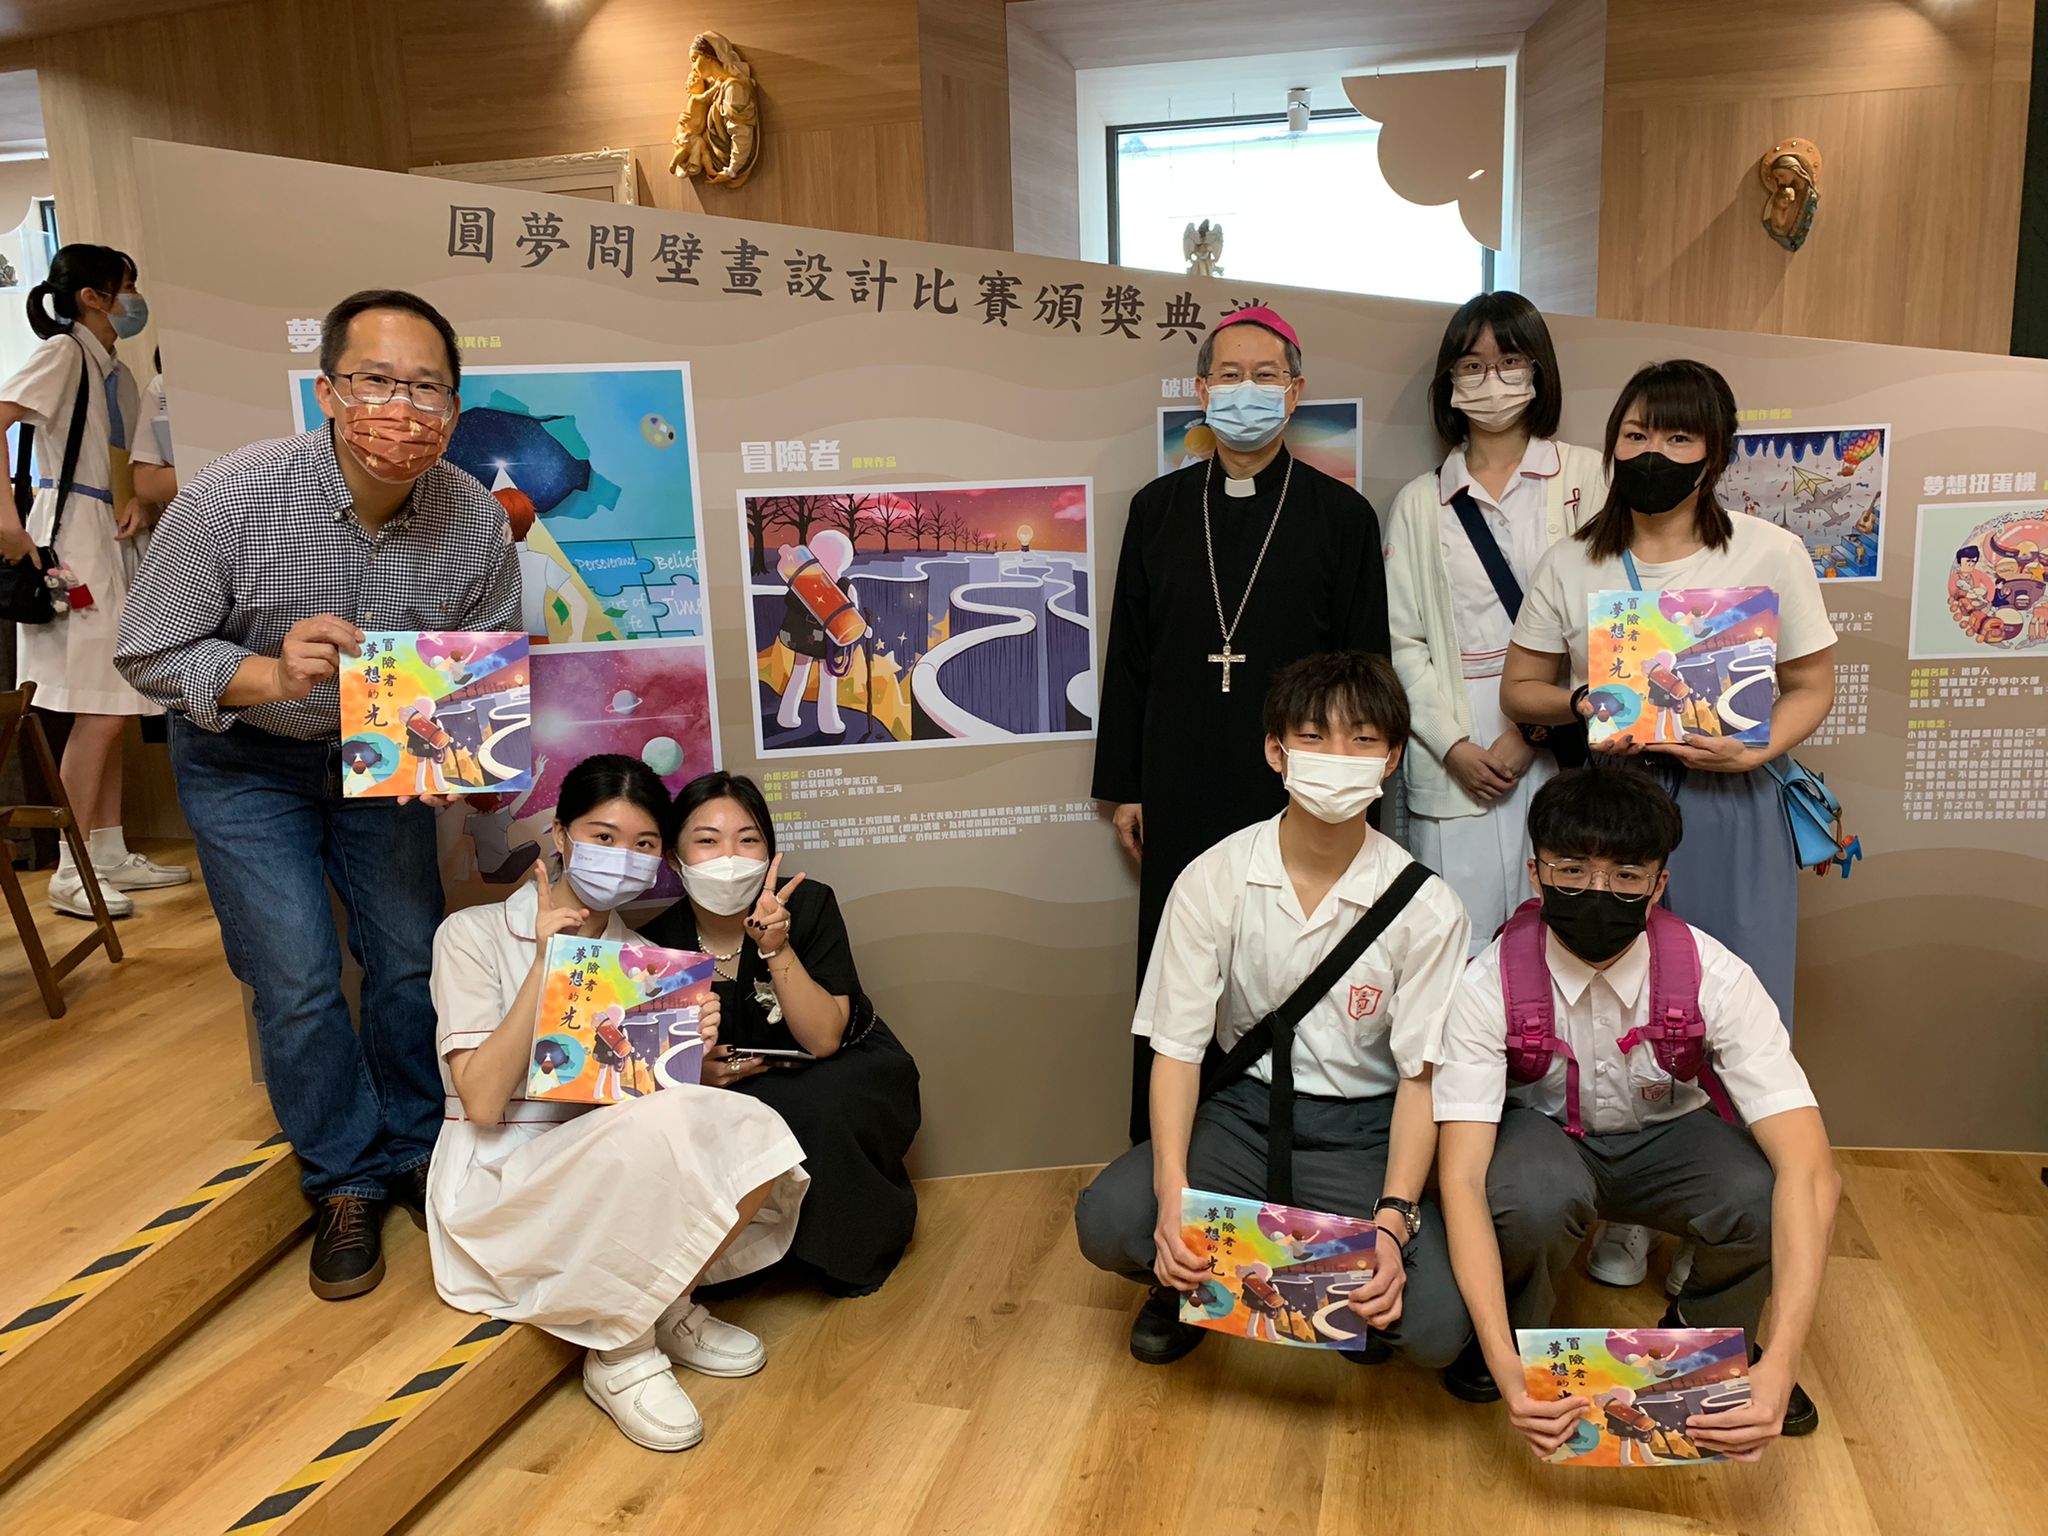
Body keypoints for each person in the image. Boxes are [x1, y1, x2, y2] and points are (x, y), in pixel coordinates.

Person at [114, 288, 521, 1300]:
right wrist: (266, 673)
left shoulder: (474, 519)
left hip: (378, 763)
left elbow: (476, 666)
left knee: (404, 957)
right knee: (295, 972)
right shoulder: (232, 498)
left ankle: (419, 1148)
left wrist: (447, 758)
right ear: (331, 391)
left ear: (454, 406)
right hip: (246, 759)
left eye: (426, 389)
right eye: (376, 381)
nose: (401, 409)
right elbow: (147, 652)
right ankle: (343, 1177)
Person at [1499, 359, 1835, 1294]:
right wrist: (1582, 700)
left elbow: (1813, 684)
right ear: (1613, 443)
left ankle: (1711, 1217)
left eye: (1679, 436)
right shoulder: (1574, 560)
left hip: (1732, 807)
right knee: (1612, 995)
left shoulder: (1769, 552)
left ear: (1715, 454)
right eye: (1637, 433)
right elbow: (1520, 689)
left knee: (1734, 1004)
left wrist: (1756, 747)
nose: (1654, 452)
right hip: (1614, 806)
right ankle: (1624, 1211)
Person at [1074, 651, 1472, 1368]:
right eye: (1313, 737)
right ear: (1275, 751)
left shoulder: (1430, 908)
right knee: (1110, 1220)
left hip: (1363, 1128)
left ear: (1391, 760)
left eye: (1363, 740)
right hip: (1241, 1114)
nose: (1337, 758)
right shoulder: (1213, 877)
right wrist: (1173, 1194)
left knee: (1436, 1327)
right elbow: (1177, 1051)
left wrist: (1392, 1219)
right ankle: (1183, 1287)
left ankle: (1342, 1290)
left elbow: (1421, 1079)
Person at [1432, 769, 1839, 1459]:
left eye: (1626, 876)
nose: (1598, 892)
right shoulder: (1486, 984)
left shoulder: (1717, 976)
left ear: (1658, 885)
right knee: (1525, 1196)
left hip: (1669, 1139)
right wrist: (1502, 1361)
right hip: (1547, 1141)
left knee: (1765, 1192)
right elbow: (1462, 1180)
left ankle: (1712, 1339)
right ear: (1536, 874)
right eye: (1571, 870)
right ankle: (1519, 1337)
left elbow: (1812, 1171)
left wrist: (1784, 1359)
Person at [427, 754, 808, 1452]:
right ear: (561, 834)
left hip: (602, 1159)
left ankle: (664, 1303)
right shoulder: (472, 934)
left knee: (755, 1128)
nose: (622, 857)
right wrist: (547, 967)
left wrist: (693, 1059)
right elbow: (480, 1101)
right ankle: (619, 1351)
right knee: (660, 1128)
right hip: (500, 1175)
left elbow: (643, 1108)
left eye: (643, 844)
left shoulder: (645, 960)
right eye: (603, 837)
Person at [1095, 306, 1392, 1141]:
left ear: (1295, 393)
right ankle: (1165, 1150)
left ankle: (1301, 1146)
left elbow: (1365, 668)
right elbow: (1130, 657)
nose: (1245, 391)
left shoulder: (1343, 517)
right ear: (1201, 391)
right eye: (1229, 376)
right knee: (1182, 969)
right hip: (1177, 778)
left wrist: (1353, 780)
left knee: (1295, 964)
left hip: (1298, 784)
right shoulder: (1156, 511)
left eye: (1266, 377)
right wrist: (1126, 787)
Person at [640, 771, 921, 1297]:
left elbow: (824, 1039)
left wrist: (776, 946)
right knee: (700, 1120)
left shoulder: (809, 904)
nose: (729, 857)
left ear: (768, 854)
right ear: (675, 860)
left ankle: (845, 1249)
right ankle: (735, 1260)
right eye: (707, 841)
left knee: (824, 1103)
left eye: (748, 840)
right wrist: (697, 1072)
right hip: (730, 1084)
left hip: (836, 1061)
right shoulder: (657, 944)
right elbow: (655, 1064)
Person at [1386, 291, 1604, 953]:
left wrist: (1532, 730)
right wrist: (1453, 746)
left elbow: (1615, 621)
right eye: (1472, 364)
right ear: (1449, 380)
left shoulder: (1590, 477)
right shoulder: (1419, 501)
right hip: (1457, 744)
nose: (1491, 379)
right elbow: (1402, 642)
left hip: (1564, 732)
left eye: (1509, 360)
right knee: (1458, 942)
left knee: (1567, 935)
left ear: (1538, 370)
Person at [0, 244, 187, 917]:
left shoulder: (116, 371)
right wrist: (6, 521)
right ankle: (71, 865)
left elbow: (118, 462)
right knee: (100, 709)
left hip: (107, 532)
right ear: (94, 296)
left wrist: (136, 504)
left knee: (113, 699)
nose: (134, 300)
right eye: (125, 286)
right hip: (69, 537)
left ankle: (105, 850)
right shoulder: (63, 354)